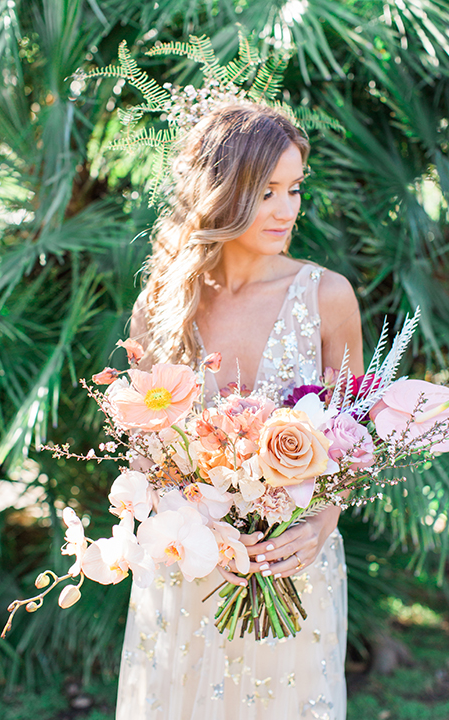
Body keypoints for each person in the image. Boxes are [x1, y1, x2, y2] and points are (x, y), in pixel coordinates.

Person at [116, 104, 363, 720]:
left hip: (293, 567)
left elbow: (353, 443)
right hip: (190, 568)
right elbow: (147, 451)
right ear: (220, 192)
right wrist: (193, 516)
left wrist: (321, 524)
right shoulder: (163, 305)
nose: (287, 209)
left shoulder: (328, 297)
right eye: (267, 191)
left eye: (295, 188)